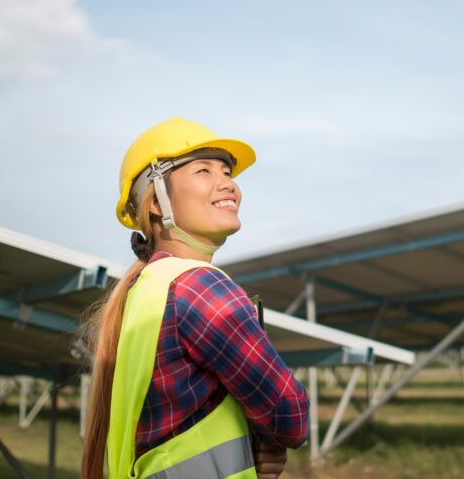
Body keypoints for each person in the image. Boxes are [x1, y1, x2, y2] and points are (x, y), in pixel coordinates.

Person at [81, 117, 309, 479]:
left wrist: (252, 446)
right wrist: (267, 438)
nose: (228, 185)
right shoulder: (199, 287)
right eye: (204, 170)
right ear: (156, 202)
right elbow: (290, 414)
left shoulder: (144, 288)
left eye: (227, 172)